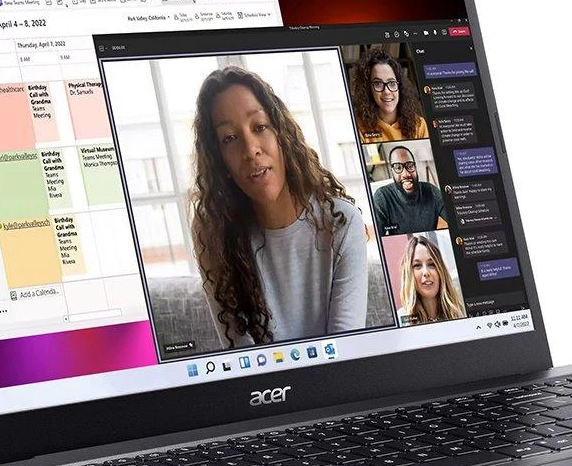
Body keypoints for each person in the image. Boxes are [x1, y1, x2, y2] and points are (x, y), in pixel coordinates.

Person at [189, 65, 368, 346]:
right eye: (229, 139)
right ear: (219, 161)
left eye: (259, 127)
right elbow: (243, 357)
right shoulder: (216, 235)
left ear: (281, 135)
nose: (251, 150)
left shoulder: (342, 223)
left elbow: (347, 351)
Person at [351, 47, 427, 142]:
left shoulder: (419, 125)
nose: (386, 91)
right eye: (378, 83)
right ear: (368, 89)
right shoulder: (358, 128)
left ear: (400, 86)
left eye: (392, 83)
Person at [371, 145, 447, 234]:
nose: (406, 174)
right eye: (398, 167)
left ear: (415, 167)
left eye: (410, 166)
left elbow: (455, 218)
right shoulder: (382, 196)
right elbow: (379, 237)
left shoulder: (431, 191)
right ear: (392, 172)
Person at [397, 232, 465, 324]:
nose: (426, 272)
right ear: (409, 274)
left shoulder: (458, 312)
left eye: (432, 264)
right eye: (417, 265)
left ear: (440, 271)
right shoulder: (402, 319)